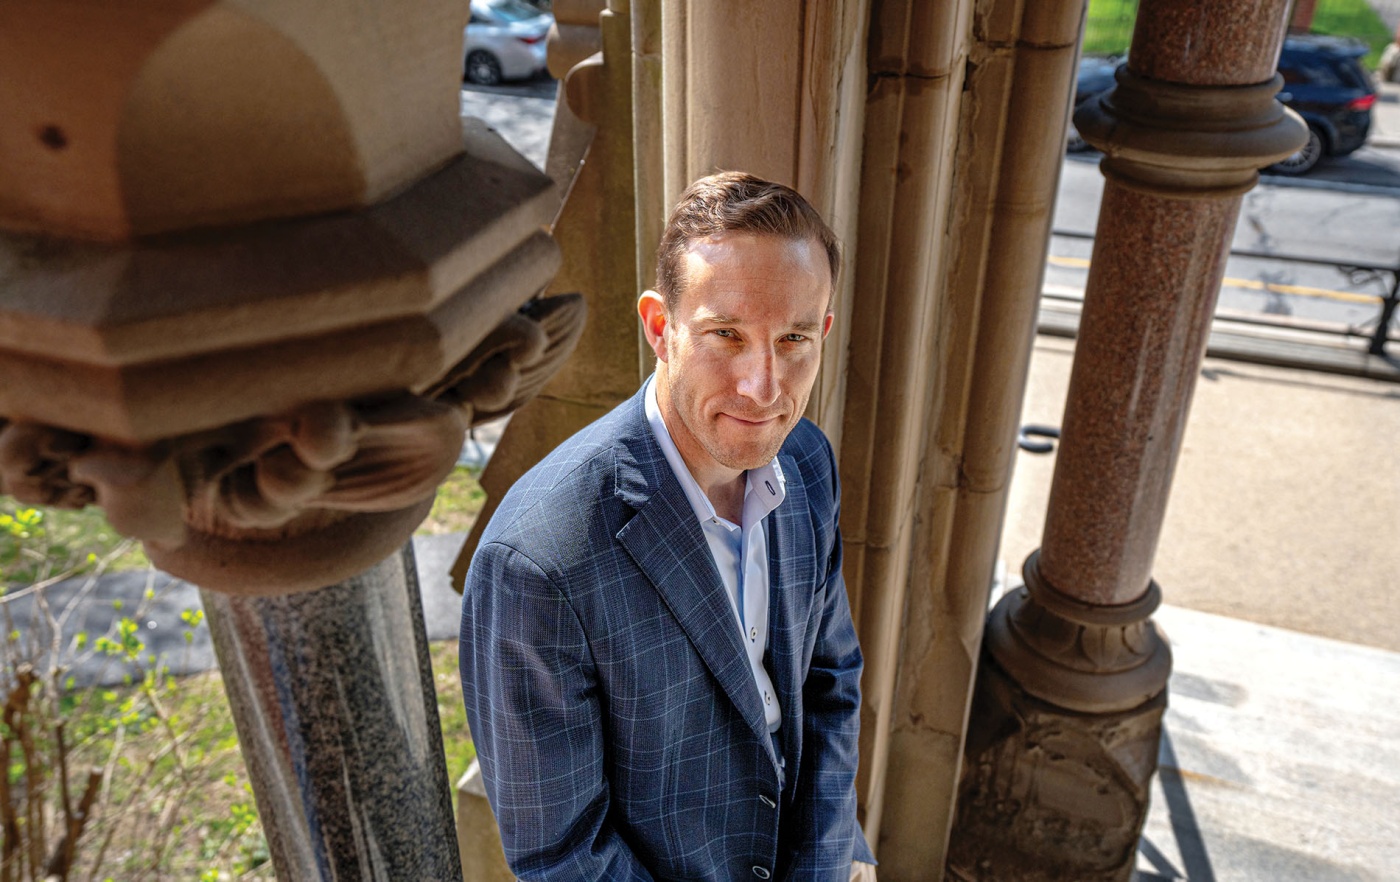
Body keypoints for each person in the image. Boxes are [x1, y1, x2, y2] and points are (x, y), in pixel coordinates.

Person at [459, 172, 876, 881]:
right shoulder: (537, 562)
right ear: (660, 328)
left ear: (824, 331)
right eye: (727, 335)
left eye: (794, 339)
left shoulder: (807, 461)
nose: (763, 387)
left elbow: (830, 678)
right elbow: (565, 857)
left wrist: (824, 864)